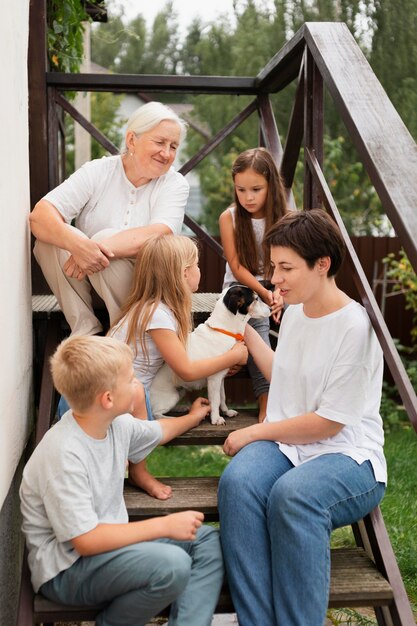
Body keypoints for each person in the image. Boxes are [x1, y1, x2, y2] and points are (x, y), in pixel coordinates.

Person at [218, 209, 387, 626]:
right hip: (291, 446)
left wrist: (254, 430)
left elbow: (330, 421)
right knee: (237, 484)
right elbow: (286, 376)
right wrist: (244, 333)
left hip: (348, 455)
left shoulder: (355, 326)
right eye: (274, 267)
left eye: (286, 268)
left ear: (322, 265)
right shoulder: (294, 312)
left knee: (293, 496)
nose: (275, 278)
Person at [20, 335, 224, 626]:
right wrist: (164, 524)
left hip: (110, 551)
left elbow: (159, 430)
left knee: (206, 541)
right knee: (173, 565)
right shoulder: (63, 453)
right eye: (131, 379)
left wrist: (193, 416)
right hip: (68, 570)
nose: (138, 385)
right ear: (108, 399)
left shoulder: (115, 424)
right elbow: (86, 541)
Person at [30, 101, 190, 336]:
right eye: (159, 142)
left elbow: (160, 233)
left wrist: (94, 249)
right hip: (84, 280)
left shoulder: (175, 183)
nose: (166, 153)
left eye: (173, 146)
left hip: (146, 289)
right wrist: (77, 245)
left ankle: (125, 334)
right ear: (132, 140)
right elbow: (40, 216)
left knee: (105, 238)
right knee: (49, 240)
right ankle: (85, 329)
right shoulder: (98, 171)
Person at [110, 233, 248, 499]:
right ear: (185, 273)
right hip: (120, 401)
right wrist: (231, 357)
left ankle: (133, 466)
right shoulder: (158, 315)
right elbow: (186, 370)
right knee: (149, 418)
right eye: (196, 265)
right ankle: (140, 470)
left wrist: (218, 362)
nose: (199, 270)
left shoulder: (148, 309)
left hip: (119, 398)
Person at [219, 147, 287, 421]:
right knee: (258, 330)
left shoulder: (285, 216)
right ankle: (266, 403)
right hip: (243, 288)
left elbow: (287, 263)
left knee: (299, 317)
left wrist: (280, 293)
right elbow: (236, 267)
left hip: (278, 283)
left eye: (256, 189)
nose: (248, 197)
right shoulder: (230, 218)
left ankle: (302, 396)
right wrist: (265, 294)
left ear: (271, 185)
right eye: (241, 190)